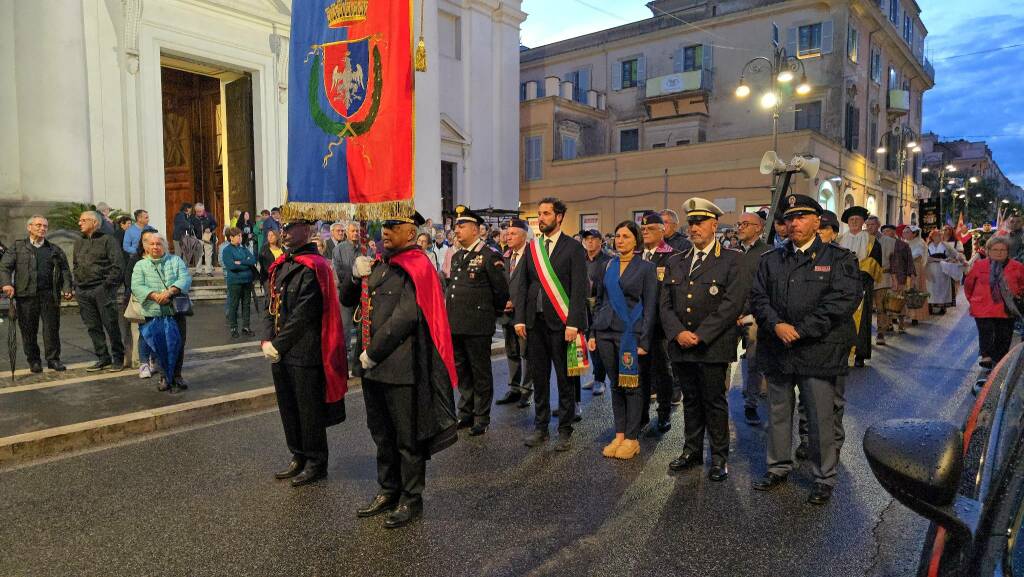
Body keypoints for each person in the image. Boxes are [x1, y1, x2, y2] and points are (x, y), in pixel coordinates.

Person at [341, 211, 458, 529]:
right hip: (373, 369)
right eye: (385, 226)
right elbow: (347, 300)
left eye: (394, 227)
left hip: (399, 367)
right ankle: (388, 489)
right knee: (381, 433)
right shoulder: (378, 264)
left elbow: (405, 317)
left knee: (407, 438)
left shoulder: (417, 266)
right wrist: (355, 275)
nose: (387, 231)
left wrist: (373, 353)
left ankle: (411, 498)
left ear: (411, 232)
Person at [750, 195, 861, 505]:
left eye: (802, 217)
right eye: (790, 218)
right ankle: (778, 466)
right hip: (779, 348)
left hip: (818, 350)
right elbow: (758, 298)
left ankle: (823, 477)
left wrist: (801, 329)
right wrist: (777, 326)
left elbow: (843, 301)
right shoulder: (771, 259)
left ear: (817, 221)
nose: (794, 223)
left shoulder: (839, 259)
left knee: (820, 419)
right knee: (778, 413)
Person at [662, 199, 749, 481]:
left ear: (714, 225)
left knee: (714, 401)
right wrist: (678, 333)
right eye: (691, 223)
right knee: (691, 401)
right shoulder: (676, 260)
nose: (695, 228)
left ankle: (720, 457)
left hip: (713, 345)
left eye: (700, 222)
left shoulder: (732, 259)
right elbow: (666, 304)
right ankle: (692, 451)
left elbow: (732, 304)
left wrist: (700, 335)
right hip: (681, 344)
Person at [261, 218, 348, 487]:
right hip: (281, 351)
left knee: (309, 410)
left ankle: (316, 461)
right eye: (283, 228)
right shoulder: (283, 264)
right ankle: (297, 454)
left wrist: (278, 344)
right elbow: (270, 305)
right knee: (288, 407)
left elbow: (304, 314)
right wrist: (266, 339)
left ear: (307, 231)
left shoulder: (314, 266)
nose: (284, 232)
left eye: (290, 228)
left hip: (305, 350)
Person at [512, 197, 589, 451]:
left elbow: (579, 289)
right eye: (539, 214)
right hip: (535, 324)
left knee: (566, 379)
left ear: (559, 217)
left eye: (546, 213)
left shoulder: (573, 248)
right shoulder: (533, 248)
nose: (541, 218)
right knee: (540, 377)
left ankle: (565, 429)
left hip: (562, 323)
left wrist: (574, 323)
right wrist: (520, 318)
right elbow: (523, 284)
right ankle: (541, 427)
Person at [587, 220, 657, 460]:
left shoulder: (646, 268)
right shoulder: (608, 265)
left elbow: (650, 307)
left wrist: (645, 341)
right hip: (605, 331)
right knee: (616, 385)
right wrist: (593, 333)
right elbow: (599, 301)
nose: (620, 240)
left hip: (630, 334)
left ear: (636, 240)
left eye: (626, 236)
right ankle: (619, 434)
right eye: (617, 236)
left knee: (632, 386)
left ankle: (631, 438)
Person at [446, 206, 508, 436]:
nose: (456, 230)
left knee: (480, 371)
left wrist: (493, 314)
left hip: (477, 325)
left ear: (475, 229)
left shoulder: (490, 256)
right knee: (463, 371)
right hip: (457, 323)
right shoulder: (458, 257)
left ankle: (481, 416)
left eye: (461, 226)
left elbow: (500, 291)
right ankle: (466, 412)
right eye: (456, 226)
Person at [0, 215, 73, 373]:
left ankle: (53, 359)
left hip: (49, 295)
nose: (42, 228)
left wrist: (67, 287)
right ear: (29, 227)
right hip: (25, 296)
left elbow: (65, 270)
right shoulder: (18, 247)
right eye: (39, 225)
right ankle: (34, 361)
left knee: (51, 329)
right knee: (28, 330)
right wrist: (6, 284)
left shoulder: (54, 249)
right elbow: (5, 267)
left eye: (45, 226)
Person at [131, 233, 193, 392]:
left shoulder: (175, 260)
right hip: (153, 312)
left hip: (175, 311)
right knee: (159, 346)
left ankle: (177, 376)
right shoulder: (140, 265)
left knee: (178, 345)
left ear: (164, 246)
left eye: (158, 244)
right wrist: (154, 295)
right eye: (151, 244)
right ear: (146, 247)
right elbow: (137, 286)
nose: (155, 247)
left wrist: (170, 292)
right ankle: (164, 377)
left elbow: (185, 278)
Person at [638, 211, 679, 434]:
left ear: (663, 230)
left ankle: (663, 414)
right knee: (640, 372)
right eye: (643, 229)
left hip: (660, 326)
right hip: (638, 325)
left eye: (651, 228)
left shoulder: (671, 256)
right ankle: (642, 414)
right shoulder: (636, 255)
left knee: (662, 371)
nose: (645, 232)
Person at [73, 211, 125, 372]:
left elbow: (118, 266)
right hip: (83, 290)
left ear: (94, 222)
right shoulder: (79, 242)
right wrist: (77, 285)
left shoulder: (108, 240)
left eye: (83, 220)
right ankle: (103, 357)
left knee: (110, 324)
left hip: (102, 289)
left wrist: (106, 286)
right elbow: (75, 265)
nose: (79, 223)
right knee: (92, 326)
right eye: (79, 220)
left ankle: (118, 357)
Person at [965, 236, 1024, 369]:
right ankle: (986, 356)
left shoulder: (1017, 267)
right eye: (995, 249)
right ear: (988, 251)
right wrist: (973, 300)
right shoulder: (979, 265)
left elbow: (1022, 285)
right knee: (986, 331)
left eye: (1002, 250)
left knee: (1004, 337)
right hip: (982, 307)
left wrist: (1017, 296)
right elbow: (969, 284)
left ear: (1008, 251)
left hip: (1006, 309)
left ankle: (998, 366)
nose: (999, 252)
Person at [736, 211, 772, 425]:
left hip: (752, 315)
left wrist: (746, 311)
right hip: (729, 314)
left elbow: (763, 288)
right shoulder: (730, 252)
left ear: (759, 228)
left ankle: (751, 403)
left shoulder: (767, 253)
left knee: (754, 360)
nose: (740, 227)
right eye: (739, 224)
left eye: (745, 224)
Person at [837, 206, 881, 368]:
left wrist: (857, 277)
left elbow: (874, 264)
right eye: (851, 220)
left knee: (861, 322)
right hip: (841, 287)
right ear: (847, 223)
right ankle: (842, 352)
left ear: (863, 222)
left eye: (857, 219)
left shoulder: (872, 241)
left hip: (862, 285)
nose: (854, 222)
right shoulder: (840, 240)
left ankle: (859, 355)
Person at [496, 219, 533, 408]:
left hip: (524, 314)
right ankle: (514, 388)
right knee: (511, 351)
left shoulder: (532, 255)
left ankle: (527, 391)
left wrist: (515, 302)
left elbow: (534, 286)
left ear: (524, 236)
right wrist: (503, 302)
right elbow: (502, 284)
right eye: (507, 233)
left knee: (526, 352)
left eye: (513, 233)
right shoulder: (506, 256)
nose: (508, 236)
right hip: (507, 313)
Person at [582, 228, 612, 395]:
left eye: (593, 239)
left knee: (600, 344)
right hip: (584, 307)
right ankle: (596, 376)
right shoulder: (581, 259)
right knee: (590, 344)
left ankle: (601, 380)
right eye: (587, 239)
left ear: (601, 241)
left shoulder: (608, 260)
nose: (590, 242)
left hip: (601, 306)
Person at [222, 227, 257, 338]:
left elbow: (252, 260)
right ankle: (233, 328)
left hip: (247, 280)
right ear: (231, 237)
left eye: (241, 236)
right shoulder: (227, 250)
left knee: (246, 305)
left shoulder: (243, 248)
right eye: (238, 236)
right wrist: (245, 264)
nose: (240, 238)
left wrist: (240, 262)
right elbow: (231, 266)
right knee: (234, 305)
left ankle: (246, 327)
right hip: (235, 282)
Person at [903, 226, 929, 325]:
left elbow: (917, 255)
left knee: (915, 290)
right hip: (906, 268)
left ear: (914, 234)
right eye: (904, 232)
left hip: (916, 269)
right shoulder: (905, 242)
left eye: (907, 232)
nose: (904, 234)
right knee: (906, 289)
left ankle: (915, 316)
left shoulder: (920, 243)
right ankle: (906, 313)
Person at [926, 229, 955, 315]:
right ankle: (930, 305)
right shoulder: (928, 246)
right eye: (935, 235)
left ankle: (942, 306)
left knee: (942, 287)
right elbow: (926, 258)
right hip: (931, 268)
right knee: (931, 288)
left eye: (939, 235)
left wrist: (949, 259)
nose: (937, 237)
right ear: (932, 237)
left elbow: (953, 254)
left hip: (943, 269)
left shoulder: (946, 245)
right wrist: (939, 259)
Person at [189, 203, 218, 276]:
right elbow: (189, 226)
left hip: (207, 238)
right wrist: (191, 227)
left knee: (208, 254)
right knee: (198, 255)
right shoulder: (192, 217)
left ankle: (208, 271)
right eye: (197, 211)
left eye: (200, 211)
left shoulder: (209, 215)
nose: (198, 213)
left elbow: (215, 224)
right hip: (197, 239)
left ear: (203, 210)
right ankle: (198, 271)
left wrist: (210, 228)